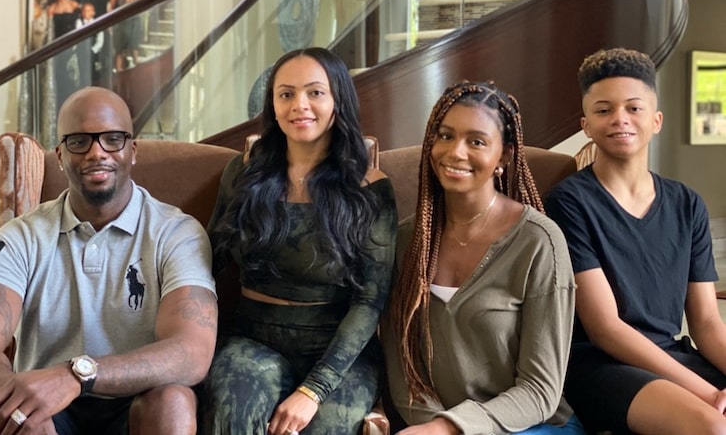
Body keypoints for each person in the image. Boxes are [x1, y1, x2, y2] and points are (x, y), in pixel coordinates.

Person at [0, 87, 218, 435]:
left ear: (132, 150)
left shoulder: (178, 233)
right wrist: (17, 398)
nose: (97, 153)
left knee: (173, 401)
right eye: (80, 141)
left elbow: (191, 353)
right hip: (43, 412)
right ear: (60, 154)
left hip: (135, 406)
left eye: (113, 139)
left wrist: (77, 374)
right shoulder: (21, 236)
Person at [201, 47, 398, 435]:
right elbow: (209, 257)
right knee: (234, 416)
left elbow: (370, 300)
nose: (299, 105)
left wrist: (314, 389)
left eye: (315, 92)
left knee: (324, 428)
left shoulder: (371, 189)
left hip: (338, 349)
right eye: (286, 93)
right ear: (272, 105)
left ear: (337, 99)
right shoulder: (243, 172)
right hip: (250, 336)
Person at [383, 80, 583, 435]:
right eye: (445, 136)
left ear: (504, 155)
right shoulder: (406, 240)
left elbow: (540, 391)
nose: (455, 152)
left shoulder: (539, 242)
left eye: (476, 141)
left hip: (531, 426)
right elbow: (404, 370)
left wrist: (451, 429)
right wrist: (435, 427)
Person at [546, 48, 726, 435]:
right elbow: (605, 328)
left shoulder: (687, 203)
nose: (620, 120)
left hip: (672, 355)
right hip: (600, 365)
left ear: (656, 120)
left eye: (634, 108)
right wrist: (710, 394)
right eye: (603, 110)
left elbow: (708, 322)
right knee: (713, 426)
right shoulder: (569, 202)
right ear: (586, 124)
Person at [111, 0, 146, 71]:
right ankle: (119, 72)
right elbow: (111, 8)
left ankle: (137, 71)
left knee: (134, 49)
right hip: (120, 23)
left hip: (134, 22)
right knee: (119, 51)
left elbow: (145, 7)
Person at [75, 2, 112, 87]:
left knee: (93, 70)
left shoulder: (97, 23)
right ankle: (82, 85)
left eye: (89, 11)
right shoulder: (79, 22)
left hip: (92, 52)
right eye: (84, 11)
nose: (86, 13)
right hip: (81, 50)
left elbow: (100, 40)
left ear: (93, 12)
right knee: (82, 70)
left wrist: (93, 50)